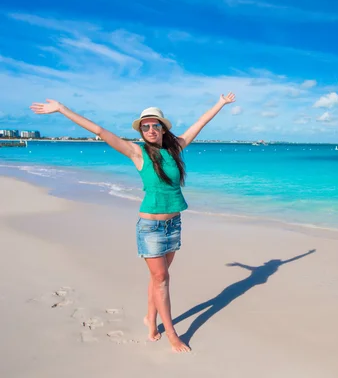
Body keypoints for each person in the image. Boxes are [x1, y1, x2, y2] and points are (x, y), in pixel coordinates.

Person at [29, 93, 236, 352]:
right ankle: (171, 332)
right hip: (151, 228)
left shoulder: (175, 149)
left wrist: (220, 103)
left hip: (174, 225)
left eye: (154, 125)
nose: (150, 129)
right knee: (161, 279)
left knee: (158, 278)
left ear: (163, 128)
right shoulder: (137, 153)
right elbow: (100, 131)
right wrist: (61, 109)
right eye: (145, 126)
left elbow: (200, 123)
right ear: (141, 131)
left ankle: (151, 319)